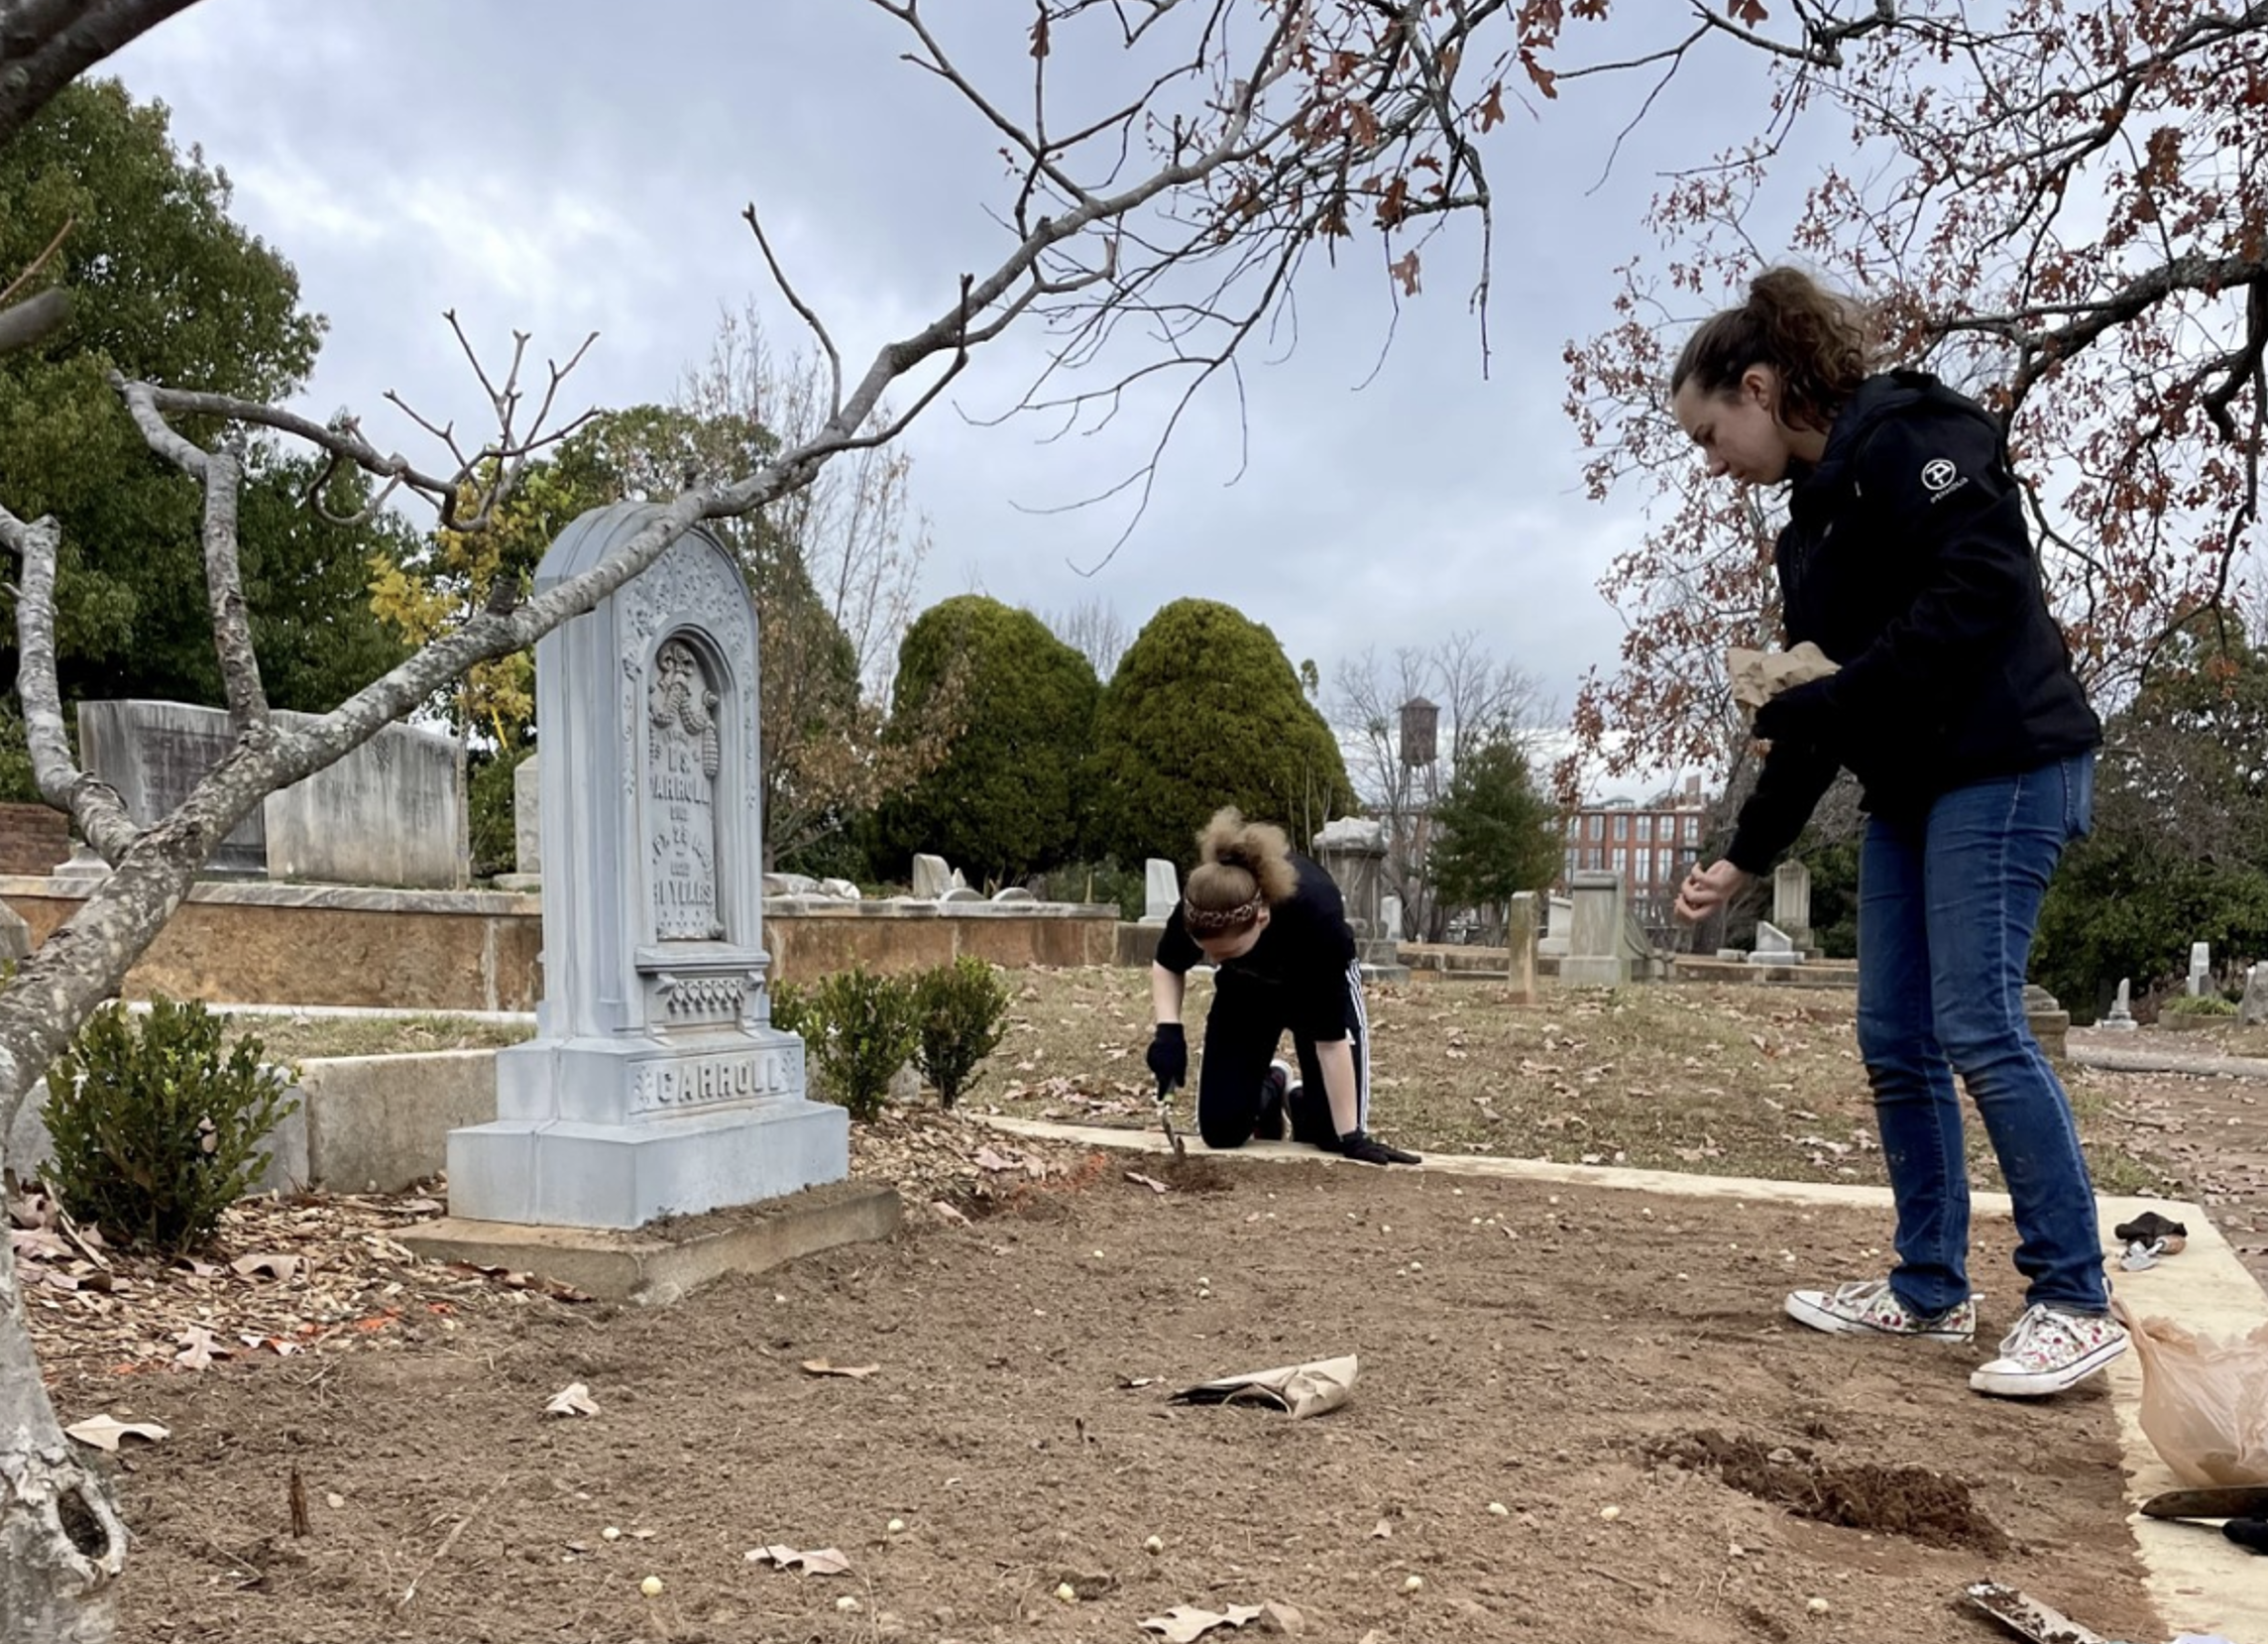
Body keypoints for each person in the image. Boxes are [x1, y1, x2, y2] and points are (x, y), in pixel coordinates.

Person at [1668, 267, 2120, 1398]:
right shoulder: (1807, 536)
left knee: (1977, 1023)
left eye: (1709, 430)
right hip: (1913, 789)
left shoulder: (1915, 436)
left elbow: (1978, 583)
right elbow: (1819, 707)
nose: (1707, 458)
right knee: (1891, 1037)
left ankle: (2072, 1297)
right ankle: (1927, 1287)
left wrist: (1831, 697)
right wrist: (1742, 852)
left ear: (1761, 387)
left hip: (2008, 763)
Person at [1148, 807, 1419, 1166]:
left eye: (1226, 952)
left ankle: (1305, 1102)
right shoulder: (1205, 903)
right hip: (1245, 991)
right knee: (1221, 1131)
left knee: (1332, 1136)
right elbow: (1168, 963)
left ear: (1261, 917)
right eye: (1208, 954)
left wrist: (1353, 1138)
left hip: (1313, 986)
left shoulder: (1315, 915)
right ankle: (1271, 1084)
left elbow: (1331, 1041)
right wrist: (1169, 1032)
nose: (1215, 962)